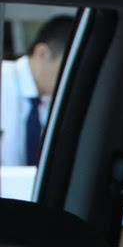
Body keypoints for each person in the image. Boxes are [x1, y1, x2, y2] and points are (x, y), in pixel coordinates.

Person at [1, 15, 74, 167]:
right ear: (42, 53)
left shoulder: (54, 101)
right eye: (68, 68)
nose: (72, 78)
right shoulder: (4, 80)